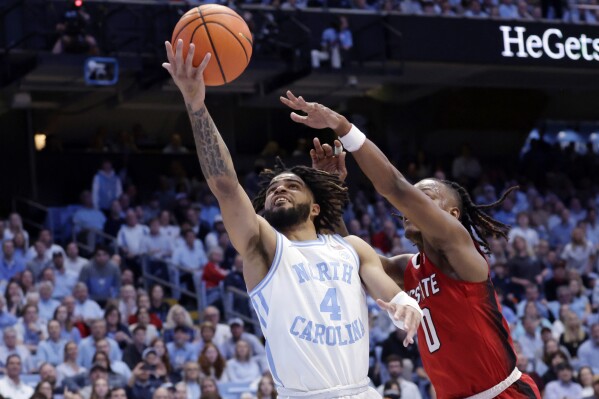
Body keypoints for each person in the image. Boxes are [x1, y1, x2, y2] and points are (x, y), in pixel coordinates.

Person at [163, 41, 421, 398]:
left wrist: (405, 305)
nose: (278, 190)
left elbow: (385, 289)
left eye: (292, 185)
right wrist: (195, 103)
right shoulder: (265, 247)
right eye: (272, 189)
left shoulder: (350, 247)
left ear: (315, 206)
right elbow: (224, 185)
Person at [280, 90, 541, 398]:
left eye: (425, 198)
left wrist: (341, 125)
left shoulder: (459, 245)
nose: (410, 207)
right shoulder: (407, 267)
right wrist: (329, 191)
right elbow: (348, 256)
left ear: (452, 214)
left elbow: (395, 187)